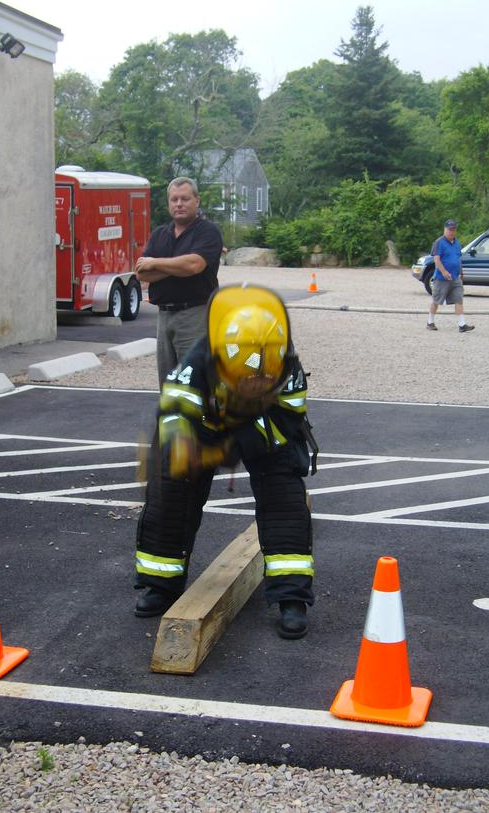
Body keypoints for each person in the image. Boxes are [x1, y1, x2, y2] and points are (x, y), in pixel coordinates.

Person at [133, 284, 318, 639]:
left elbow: (290, 420)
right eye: (250, 375)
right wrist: (187, 448)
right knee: (171, 490)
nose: (261, 378)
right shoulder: (197, 362)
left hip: (266, 430)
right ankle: (160, 583)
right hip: (203, 425)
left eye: (267, 374)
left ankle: (291, 596)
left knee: (285, 498)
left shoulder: (286, 364)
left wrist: (236, 444)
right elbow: (173, 415)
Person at [135, 177, 224, 386]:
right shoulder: (160, 234)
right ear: (169, 203)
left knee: (193, 380)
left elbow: (194, 265)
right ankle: (171, 419)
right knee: (168, 382)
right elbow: (142, 274)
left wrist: (156, 262)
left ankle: (198, 419)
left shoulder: (208, 231)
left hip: (195, 315)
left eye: (185, 199)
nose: (179, 204)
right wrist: (178, 266)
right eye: (174, 199)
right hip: (164, 316)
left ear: (197, 201)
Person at [427, 219, 474, 333]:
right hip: (442, 278)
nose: (452, 232)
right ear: (445, 229)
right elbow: (436, 259)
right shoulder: (439, 242)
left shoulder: (457, 243)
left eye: (454, 229)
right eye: (450, 229)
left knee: (459, 299)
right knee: (436, 300)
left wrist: (461, 272)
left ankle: (462, 324)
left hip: (455, 277)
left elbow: (458, 259)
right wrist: (443, 271)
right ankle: (430, 321)